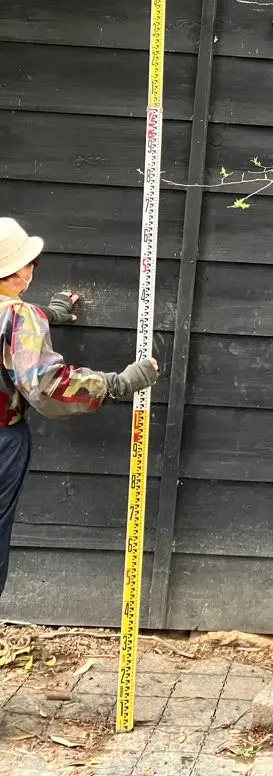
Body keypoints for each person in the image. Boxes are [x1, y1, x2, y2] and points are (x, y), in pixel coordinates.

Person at [0, 217, 160, 597]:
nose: (32, 269)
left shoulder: (20, 316)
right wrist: (117, 383)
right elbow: (49, 386)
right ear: (14, 271)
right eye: (30, 263)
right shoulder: (19, 318)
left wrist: (46, 316)